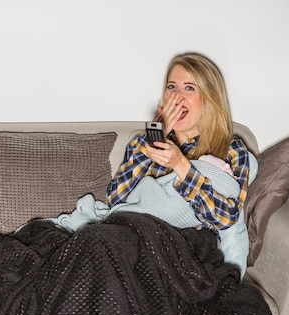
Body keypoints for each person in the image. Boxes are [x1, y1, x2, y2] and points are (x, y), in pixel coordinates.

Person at [106, 53, 252, 233]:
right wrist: (153, 140)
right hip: (132, 233)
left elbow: (226, 217)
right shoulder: (142, 144)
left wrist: (180, 165)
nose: (177, 96)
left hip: (185, 244)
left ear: (209, 100)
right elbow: (114, 201)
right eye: (171, 87)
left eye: (189, 88)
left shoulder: (232, 151)